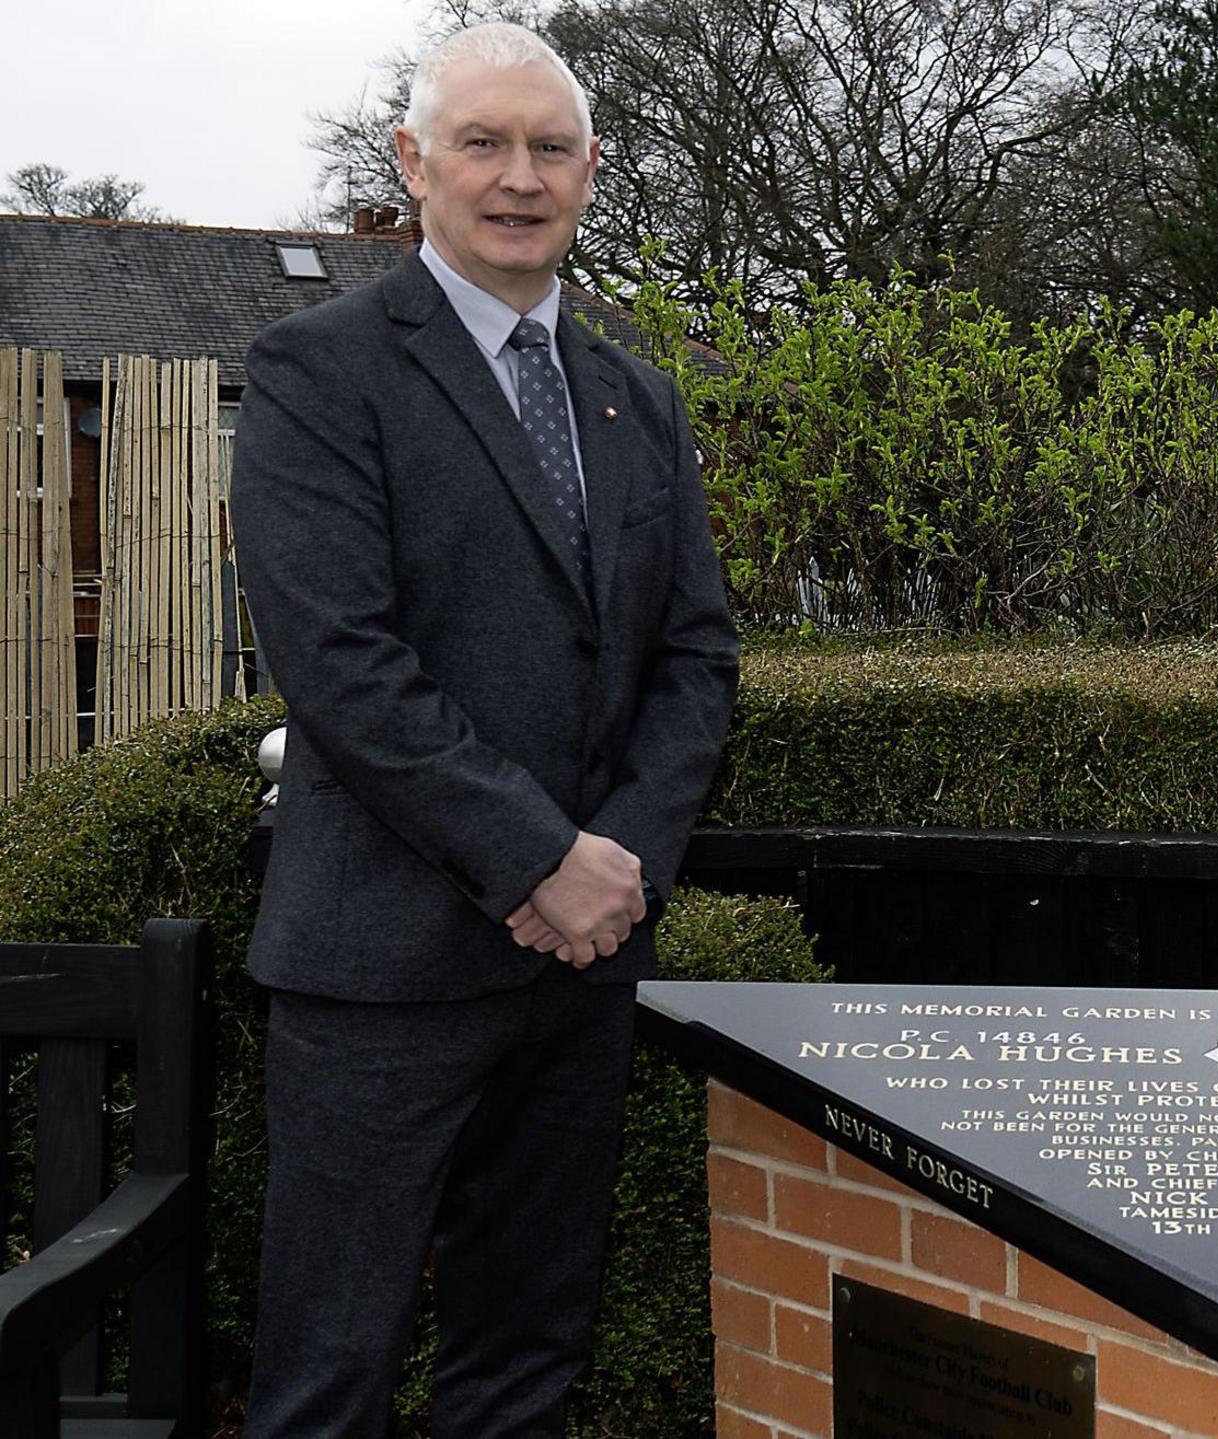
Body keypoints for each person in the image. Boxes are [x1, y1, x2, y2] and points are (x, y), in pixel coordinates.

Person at [230, 22, 738, 1436]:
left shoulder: (640, 395)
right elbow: (343, 665)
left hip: (581, 969)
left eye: (552, 147)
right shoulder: (315, 372)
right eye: (484, 143)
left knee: (526, 1358)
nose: (521, 177)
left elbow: (694, 659)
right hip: (381, 971)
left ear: (586, 172)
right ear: (413, 162)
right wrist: (537, 861)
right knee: (330, 1376)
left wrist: (616, 865)